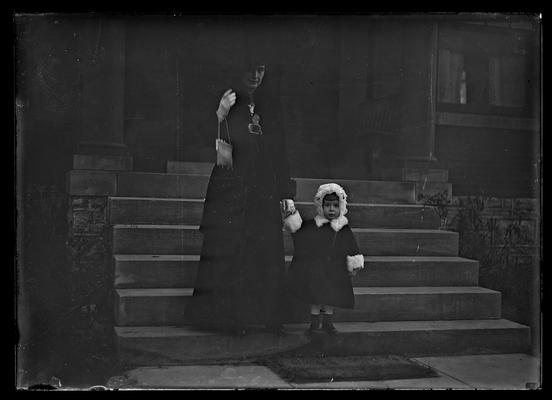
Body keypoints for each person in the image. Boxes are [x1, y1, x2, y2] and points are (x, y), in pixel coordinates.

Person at [184, 61, 296, 336]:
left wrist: (285, 192)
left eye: (260, 69)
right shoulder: (225, 100)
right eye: (249, 68)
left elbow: (280, 151)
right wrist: (220, 115)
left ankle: (266, 316)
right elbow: (203, 140)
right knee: (229, 249)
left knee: (264, 250)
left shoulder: (270, 106)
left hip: (263, 187)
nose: (255, 75)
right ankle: (225, 318)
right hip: (230, 186)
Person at [283, 183, 364, 334]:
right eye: (327, 205)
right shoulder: (314, 225)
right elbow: (299, 230)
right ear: (321, 206)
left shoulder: (342, 227)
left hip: (334, 269)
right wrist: (292, 217)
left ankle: (328, 322)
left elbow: (351, 244)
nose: (331, 209)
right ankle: (314, 323)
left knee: (330, 297)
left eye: (335, 205)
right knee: (314, 296)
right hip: (316, 269)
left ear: (341, 206)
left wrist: (354, 261)